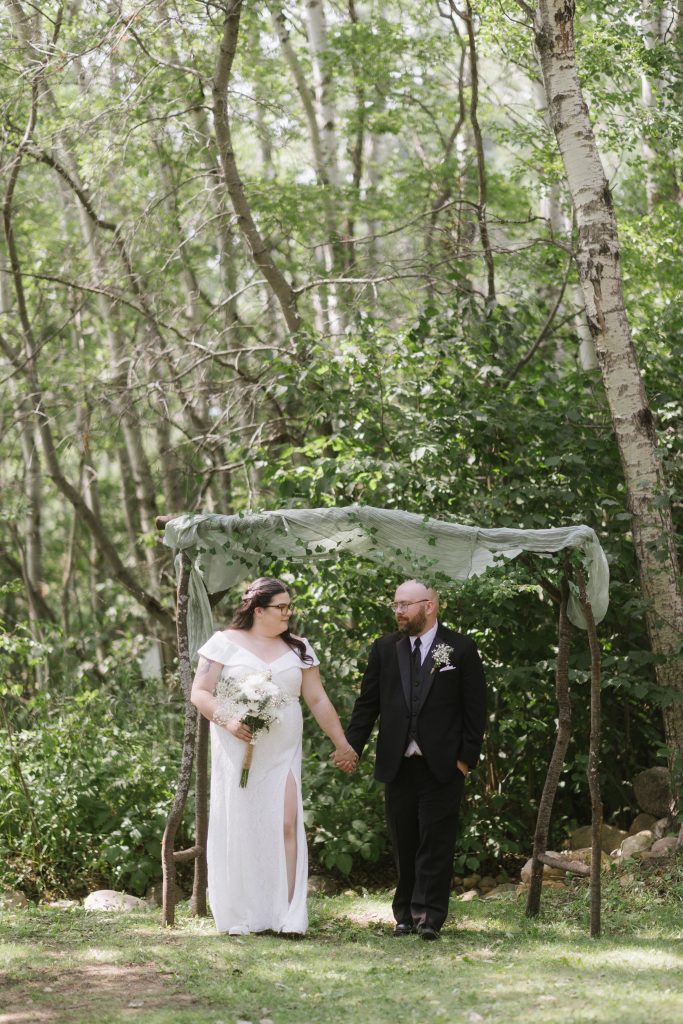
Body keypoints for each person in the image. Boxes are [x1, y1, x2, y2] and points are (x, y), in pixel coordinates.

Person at [191, 577, 357, 936]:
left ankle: (287, 915)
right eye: (281, 607)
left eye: (289, 606)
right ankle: (244, 914)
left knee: (285, 822)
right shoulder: (223, 644)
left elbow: (317, 699)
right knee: (241, 824)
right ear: (258, 610)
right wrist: (230, 719)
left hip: (282, 751)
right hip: (238, 749)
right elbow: (200, 692)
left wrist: (342, 743)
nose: (288, 613)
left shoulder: (299, 648)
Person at [336, 579, 486, 940]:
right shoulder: (385, 649)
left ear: (430, 605)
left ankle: (429, 917)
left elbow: (476, 708)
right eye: (396, 605)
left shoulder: (460, 648)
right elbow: (368, 705)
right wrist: (351, 746)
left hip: (444, 766)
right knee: (404, 840)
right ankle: (403, 914)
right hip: (398, 763)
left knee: (436, 842)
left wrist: (465, 759)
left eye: (406, 604)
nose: (399, 611)